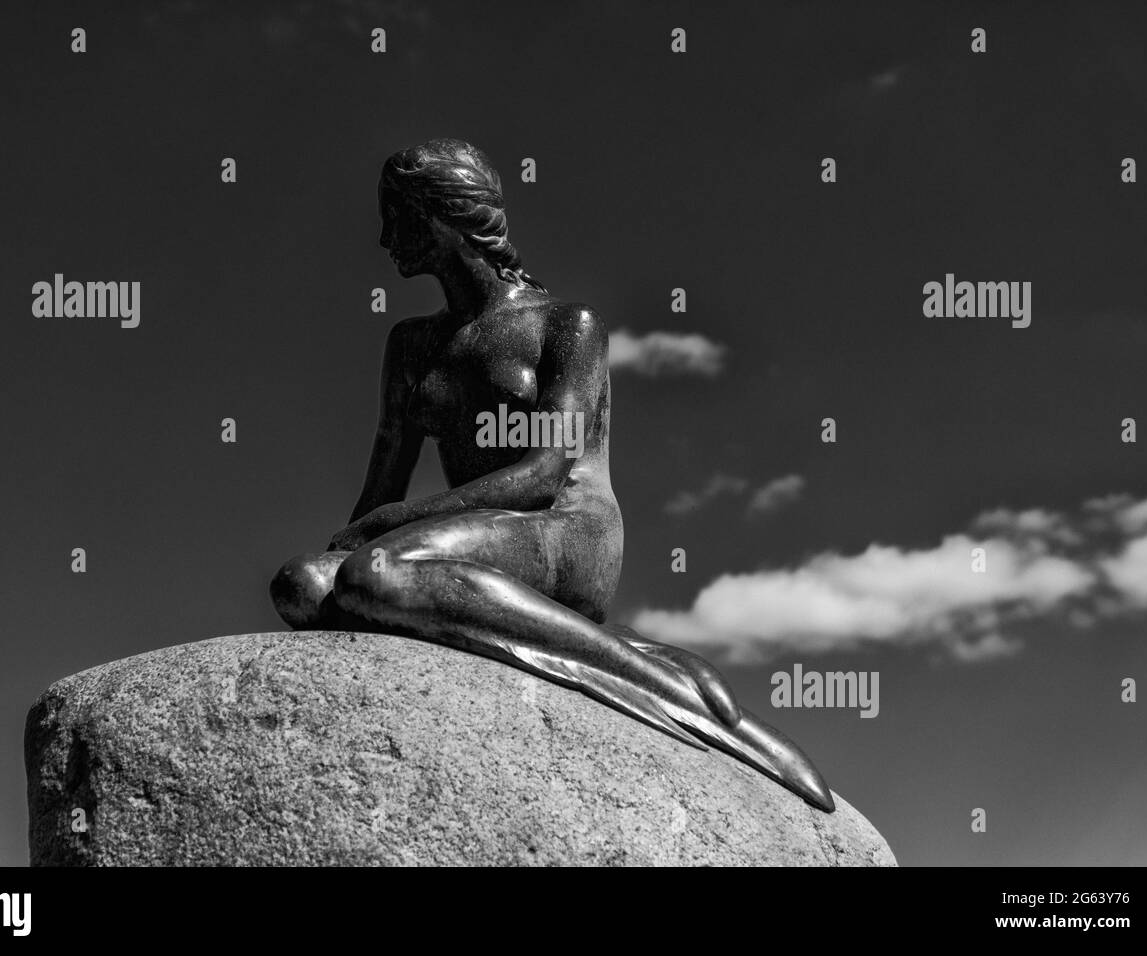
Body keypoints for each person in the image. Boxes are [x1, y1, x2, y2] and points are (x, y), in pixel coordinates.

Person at [271, 139, 834, 812]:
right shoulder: (410, 346)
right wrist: (349, 541)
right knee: (303, 585)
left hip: (564, 528)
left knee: (377, 576)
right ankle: (624, 649)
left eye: (399, 216)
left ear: (445, 217)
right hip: (472, 537)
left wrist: (377, 533)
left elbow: (542, 475)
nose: (386, 237)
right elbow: (379, 493)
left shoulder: (566, 325)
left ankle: (644, 677)